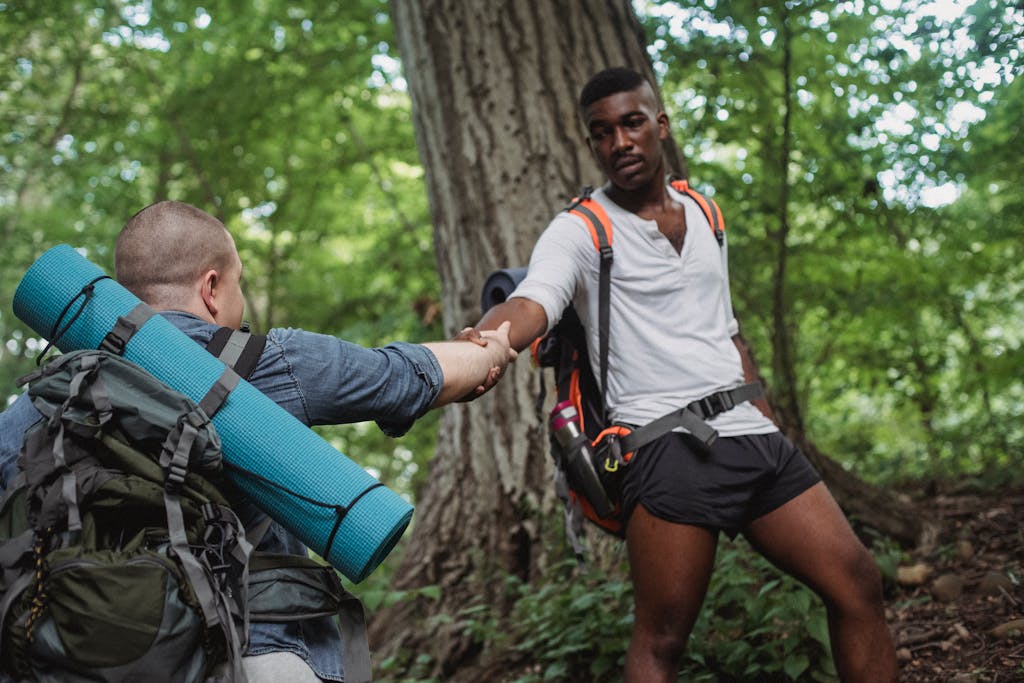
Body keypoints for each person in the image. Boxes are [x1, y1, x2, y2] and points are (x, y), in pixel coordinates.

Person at [473, 67, 898, 682]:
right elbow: (535, 300)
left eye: (632, 123)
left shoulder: (704, 211)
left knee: (858, 585)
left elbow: (724, 329)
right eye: (602, 132)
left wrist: (770, 426)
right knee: (663, 641)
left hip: (752, 436)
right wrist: (484, 343)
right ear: (591, 144)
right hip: (665, 444)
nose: (619, 141)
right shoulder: (579, 229)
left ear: (660, 126)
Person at [0, 199, 517, 682]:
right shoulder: (261, 364)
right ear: (211, 287)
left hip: (64, 660)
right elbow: (416, 375)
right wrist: (491, 348)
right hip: (255, 652)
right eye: (237, 283)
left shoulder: (43, 402)